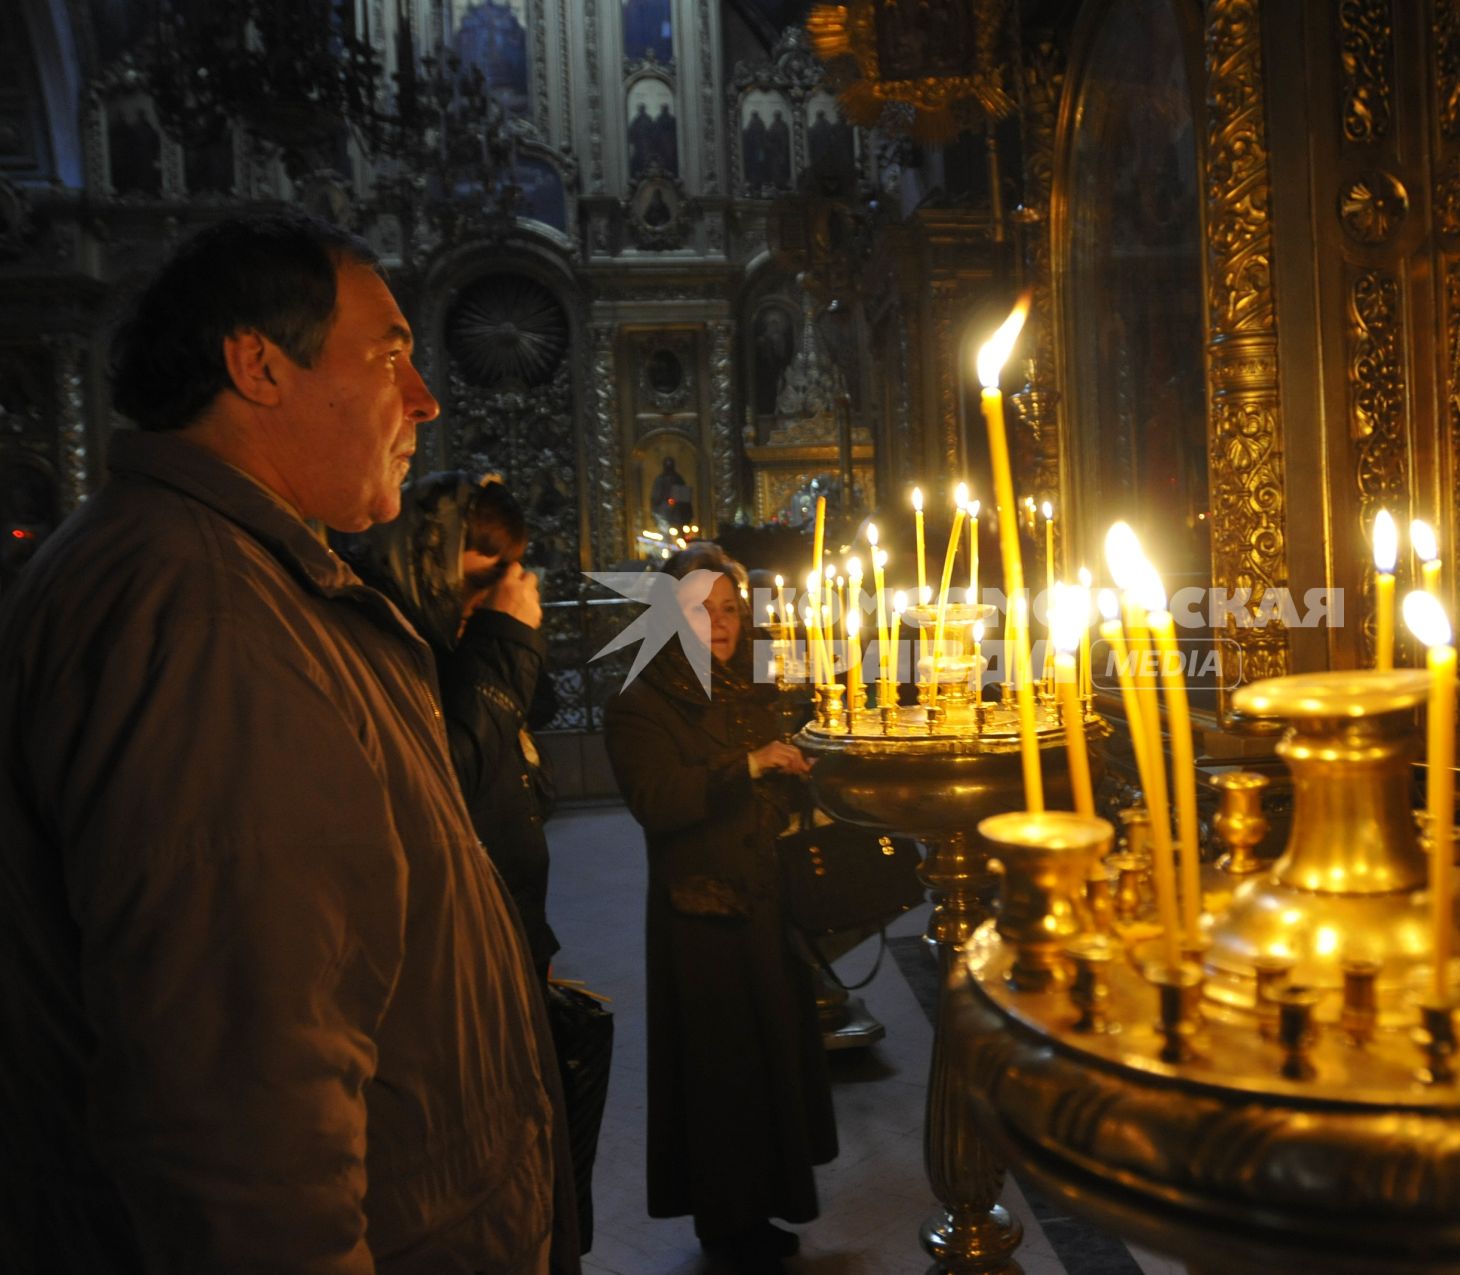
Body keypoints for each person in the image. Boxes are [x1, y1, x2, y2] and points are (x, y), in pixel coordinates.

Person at [0, 213, 569, 1274]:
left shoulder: (228, 576)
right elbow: (240, 1116)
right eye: (390, 356)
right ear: (259, 365)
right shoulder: (206, 618)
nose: (425, 400)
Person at [604, 543, 837, 1271]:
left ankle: (767, 1202)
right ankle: (726, 1221)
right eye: (701, 610)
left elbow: (773, 783)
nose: (722, 622)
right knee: (721, 1072)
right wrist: (749, 764)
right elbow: (659, 800)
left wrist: (803, 768)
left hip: (765, 903)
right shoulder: (639, 702)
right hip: (701, 914)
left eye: (731, 608)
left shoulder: (748, 690)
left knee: (771, 1059)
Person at [339, 471, 560, 974]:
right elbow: (449, 782)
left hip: (511, 925)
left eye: (506, 577)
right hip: (451, 945)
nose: (491, 598)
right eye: (480, 581)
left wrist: (508, 637)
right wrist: (503, 637)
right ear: (428, 561)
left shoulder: (466, 638)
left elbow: (534, 731)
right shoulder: (384, 639)